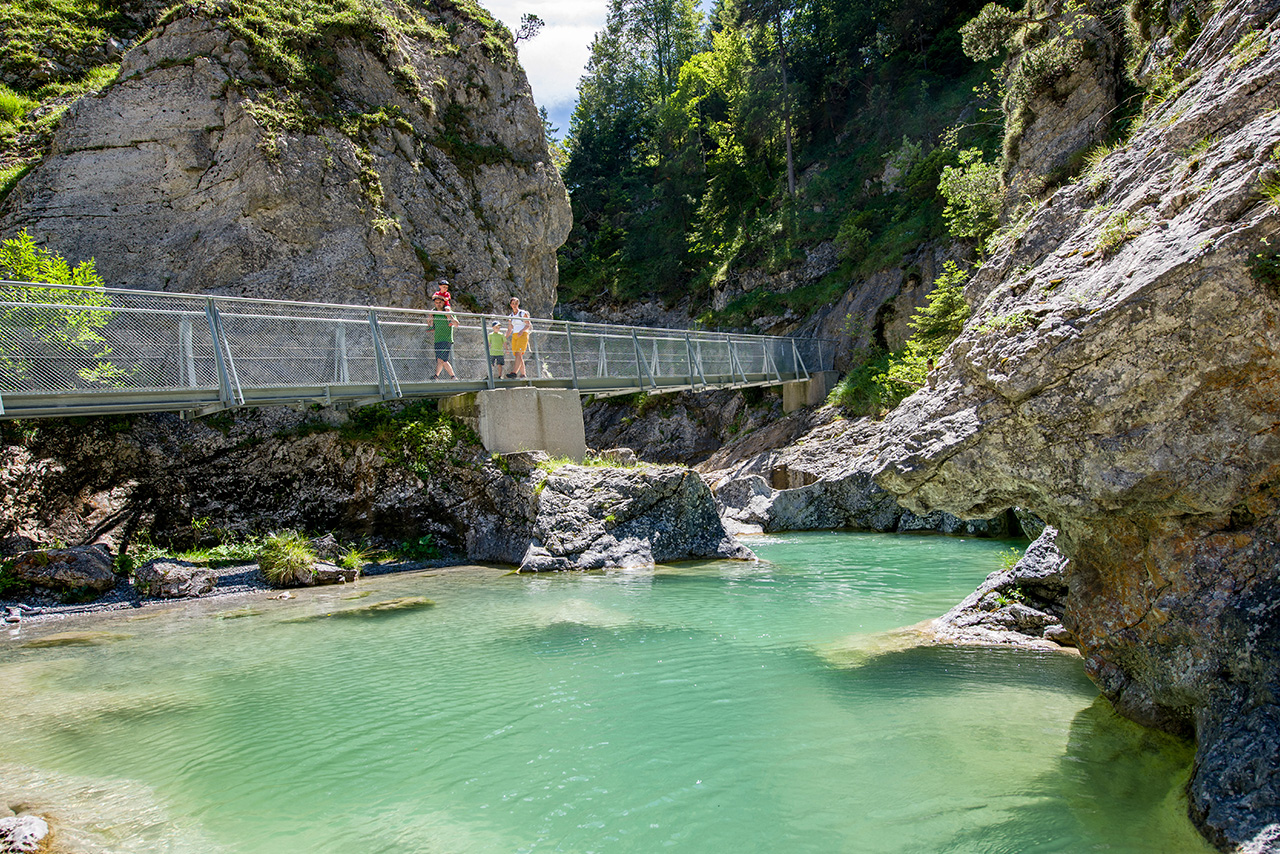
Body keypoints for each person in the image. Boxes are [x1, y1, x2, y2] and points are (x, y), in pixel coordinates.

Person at [431, 294, 459, 379]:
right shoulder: (434, 313)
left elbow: (457, 324)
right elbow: (431, 324)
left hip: (446, 339)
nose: (438, 304)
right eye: (436, 302)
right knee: (441, 360)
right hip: (437, 339)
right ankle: (452, 377)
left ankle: (437, 376)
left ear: (443, 303)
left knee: (441, 359)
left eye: (440, 302)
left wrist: (449, 317)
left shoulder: (448, 312)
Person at [506, 296, 532, 379]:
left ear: (518, 304)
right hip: (515, 335)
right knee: (518, 355)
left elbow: (528, 325)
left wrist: (522, 331)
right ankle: (523, 374)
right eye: (513, 303)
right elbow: (509, 329)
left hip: (523, 335)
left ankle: (514, 372)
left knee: (518, 353)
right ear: (510, 305)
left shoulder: (522, 313)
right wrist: (503, 338)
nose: (514, 305)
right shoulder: (510, 316)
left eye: (516, 303)